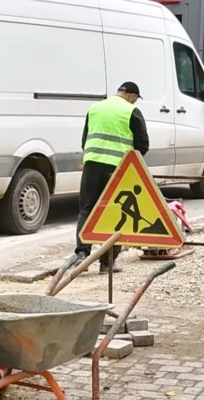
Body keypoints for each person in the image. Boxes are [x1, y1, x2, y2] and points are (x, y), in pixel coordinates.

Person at [74, 82, 149, 274]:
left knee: (87, 209)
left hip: (92, 165)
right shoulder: (131, 111)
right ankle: (107, 263)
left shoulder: (95, 108)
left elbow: (85, 140)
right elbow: (143, 144)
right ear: (132, 96)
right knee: (115, 213)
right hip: (118, 169)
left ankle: (82, 255)